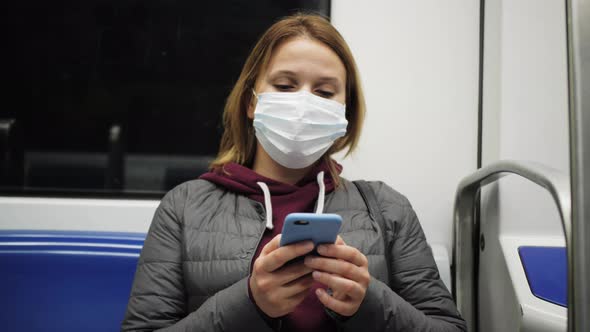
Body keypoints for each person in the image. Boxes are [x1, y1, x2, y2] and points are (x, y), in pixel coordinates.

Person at [121, 13, 466, 332]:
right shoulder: (183, 207)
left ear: (344, 115)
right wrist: (249, 303)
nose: (303, 105)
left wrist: (369, 302)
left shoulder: (387, 208)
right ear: (252, 102)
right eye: (285, 86)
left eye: (324, 92)